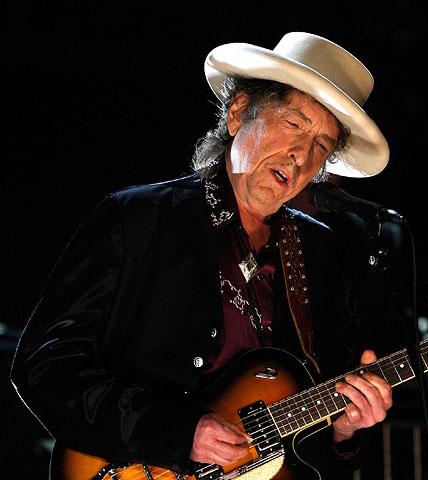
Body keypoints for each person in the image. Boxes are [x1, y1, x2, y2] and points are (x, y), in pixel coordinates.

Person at [10, 32, 393, 478]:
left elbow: (315, 442)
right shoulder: (139, 219)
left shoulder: (323, 254)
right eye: (294, 124)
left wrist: (346, 430)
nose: (301, 155)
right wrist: (177, 431)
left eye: (322, 145)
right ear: (238, 112)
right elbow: (44, 365)